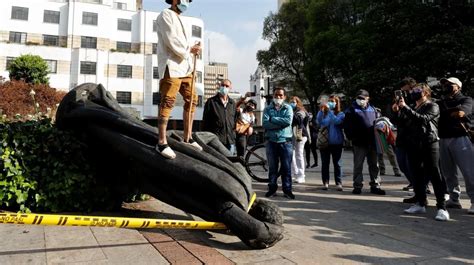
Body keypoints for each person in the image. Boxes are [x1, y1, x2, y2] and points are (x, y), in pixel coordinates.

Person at [392, 83, 450, 221]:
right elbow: (403, 123)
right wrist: (398, 111)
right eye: (412, 90)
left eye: (416, 90)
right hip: (413, 144)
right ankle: (420, 202)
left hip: (429, 143)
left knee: (435, 174)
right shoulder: (412, 107)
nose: (413, 92)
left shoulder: (432, 106)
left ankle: (442, 207)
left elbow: (422, 119)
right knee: (416, 174)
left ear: (425, 92)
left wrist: (405, 108)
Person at [155, 0, 202, 159]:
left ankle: (188, 137)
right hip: (172, 65)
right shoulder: (165, 15)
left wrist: (193, 49)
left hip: (186, 67)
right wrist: (190, 49)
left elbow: (184, 44)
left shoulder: (182, 19)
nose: (187, 2)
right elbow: (172, 40)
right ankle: (161, 142)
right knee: (168, 100)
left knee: (192, 99)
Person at [437, 77, 474, 214]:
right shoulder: (441, 102)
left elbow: (461, 112)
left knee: (469, 172)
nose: (445, 86)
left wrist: (455, 112)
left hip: (461, 138)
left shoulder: (466, 100)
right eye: (444, 84)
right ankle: (453, 199)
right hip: (443, 138)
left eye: (449, 84)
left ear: (457, 86)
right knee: (448, 172)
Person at [344, 89, 386, 195]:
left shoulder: (374, 110)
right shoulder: (351, 110)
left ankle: (375, 185)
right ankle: (357, 186)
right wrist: (351, 138)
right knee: (358, 165)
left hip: (372, 142)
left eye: (362, 98)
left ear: (368, 99)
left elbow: (379, 123)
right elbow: (347, 126)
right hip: (358, 143)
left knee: (374, 165)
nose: (360, 100)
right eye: (358, 98)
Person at [263, 87, 294, 199]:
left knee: (286, 168)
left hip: (285, 142)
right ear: (273, 96)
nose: (278, 97)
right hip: (271, 142)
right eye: (276, 95)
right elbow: (265, 124)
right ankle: (272, 189)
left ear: (284, 97)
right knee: (272, 168)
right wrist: (279, 123)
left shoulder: (288, 108)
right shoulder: (267, 109)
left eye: (281, 95)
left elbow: (287, 121)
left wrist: (273, 119)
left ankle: (287, 190)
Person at [392, 77, 417, 190]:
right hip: (402, 137)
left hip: (414, 138)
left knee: (413, 165)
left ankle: (421, 186)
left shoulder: (418, 102)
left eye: (407, 91)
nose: (405, 94)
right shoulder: (401, 103)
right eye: (403, 91)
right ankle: (413, 182)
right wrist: (396, 111)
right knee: (402, 164)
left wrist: (405, 107)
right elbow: (396, 121)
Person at [316, 94, 345, 191]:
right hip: (325, 143)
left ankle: (338, 183)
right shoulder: (325, 113)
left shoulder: (340, 114)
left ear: (337, 103)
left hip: (337, 143)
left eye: (333, 101)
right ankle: (325, 182)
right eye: (330, 101)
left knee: (337, 163)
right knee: (325, 163)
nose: (331, 103)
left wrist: (330, 112)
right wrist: (321, 110)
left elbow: (337, 122)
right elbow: (319, 122)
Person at [202, 79, 236, 153]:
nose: (224, 87)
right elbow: (205, 121)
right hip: (216, 140)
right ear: (219, 86)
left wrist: (233, 135)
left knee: (230, 162)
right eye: (222, 85)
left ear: (230, 88)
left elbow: (234, 120)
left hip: (230, 140)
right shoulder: (211, 102)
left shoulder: (232, 103)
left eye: (227, 86)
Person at [290, 96, 310, 184]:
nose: (292, 104)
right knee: (292, 155)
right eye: (290, 102)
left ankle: (301, 175)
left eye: (293, 102)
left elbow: (299, 120)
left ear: (298, 102)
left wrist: (292, 114)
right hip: (293, 135)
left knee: (299, 154)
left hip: (300, 135)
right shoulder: (293, 111)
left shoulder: (301, 111)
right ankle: (296, 173)